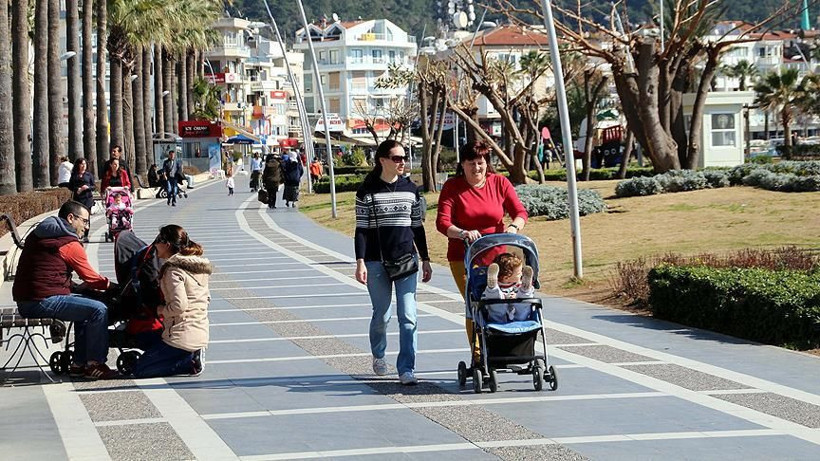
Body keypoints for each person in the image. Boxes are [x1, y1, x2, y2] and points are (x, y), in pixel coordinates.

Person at [436, 141, 528, 362]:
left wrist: (514, 226)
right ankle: (478, 354)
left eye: (480, 163)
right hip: (465, 256)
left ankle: (503, 346)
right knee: (475, 302)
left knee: (500, 300)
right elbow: (442, 222)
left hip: (498, 257)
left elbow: (520, 212)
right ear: (462, 164)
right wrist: (462, 232)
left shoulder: (500, 183)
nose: (476, 168)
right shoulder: (452, 187)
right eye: (471, 163)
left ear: (487, 163)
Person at [354, 140, 433, 386]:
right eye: (397, 158)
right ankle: (378, 354)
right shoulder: (367, 190)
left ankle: (406, 368)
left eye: (404, 157)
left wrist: (426, 258)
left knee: (408, 315)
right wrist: (360, 262)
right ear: (383, 160)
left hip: (406, 261)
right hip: (376, 261)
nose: (402, 162)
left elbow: (417, 226)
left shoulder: (411, 189)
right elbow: (362, 230)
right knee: (382, 315)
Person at [12, 201, 118, 379]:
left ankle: (79, 364)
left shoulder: (41, 232)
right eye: (84, 221)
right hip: (41, 301)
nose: (86, 227)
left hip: (27, 298)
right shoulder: (67, 242)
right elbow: (92, 278)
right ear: (71, 218)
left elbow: (46, 271)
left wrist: (75, 287)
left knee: (85, 306)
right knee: (98, 309)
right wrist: (114, 287)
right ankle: (95, 364)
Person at [134, 225, 212, 378]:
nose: (155, 245)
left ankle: (189, 363)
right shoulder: (197, 265)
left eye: (157, 240)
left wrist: (161, 310)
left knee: (140, 369)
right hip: (199, 331)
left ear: (167, 244)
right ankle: (191, 352)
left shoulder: (173, 270)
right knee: (143, 339)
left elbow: (179, 305)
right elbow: (206, 298)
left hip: (181, 336)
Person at [68, 158, 95, 243]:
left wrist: (87, 188)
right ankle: (78, 234)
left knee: (86, 217)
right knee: (78, 217)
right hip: (78, 199)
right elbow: (70, 186)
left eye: (85, 164)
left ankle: (86, 235)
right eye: (81, 164)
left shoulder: (89, 175)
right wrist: (77, 189)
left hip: (87, 199)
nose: (83, 166)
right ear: (78, 165)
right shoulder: (74, 175)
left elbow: (93, 186)